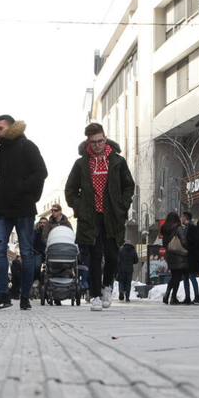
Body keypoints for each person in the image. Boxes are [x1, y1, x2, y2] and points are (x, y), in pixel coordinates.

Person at [65, 122, 135, 312]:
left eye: (101, 141)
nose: (98, 145)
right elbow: (70, 190)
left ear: (105, 139)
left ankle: (107, 286)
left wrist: (122, 205)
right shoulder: (81, 164)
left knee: (112, 256)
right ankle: (95, 295)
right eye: (94, 142)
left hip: (113, 216)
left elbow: (129, 185)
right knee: (95, 257)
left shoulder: (117, 162)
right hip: (91, 217)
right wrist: (80, 208)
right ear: (88, 142)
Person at [0, 115, 48, 311]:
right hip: (4, 207)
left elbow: (41, 172)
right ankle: (4, 295)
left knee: (27, 252)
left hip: (23, 207)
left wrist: (23, 189)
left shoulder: (27, 146)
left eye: (0, 128)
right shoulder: (1, 150)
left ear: (11, 128)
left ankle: (25, 296)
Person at [161, 212, 189, 305]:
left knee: (173, 276)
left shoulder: (165, 229)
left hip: (170, 255)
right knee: (177, 277)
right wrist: (187, 249)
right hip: (179, 255)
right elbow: (183, 241)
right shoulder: (178, 228)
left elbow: (164, 243)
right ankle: (173, 298)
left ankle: (167, 294)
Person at [181, 211, 199, 304]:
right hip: (189, 256)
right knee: (186, 276)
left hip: (190, 256)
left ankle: (195, 296)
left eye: (182, 217)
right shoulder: (189, 227)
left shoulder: (191, 227)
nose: (181, 219)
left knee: (190, 276)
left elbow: (193, 240)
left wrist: (185, 242)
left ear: (185, 218)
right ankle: (188, 296)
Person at [33, 216, 48, 285]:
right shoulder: (36, 232)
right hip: (38, 253)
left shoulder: (50, 232)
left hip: (48, 253)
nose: (42, 224)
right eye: (41, 223)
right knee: (37, 266)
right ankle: (37, 279)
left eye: (44, 223)